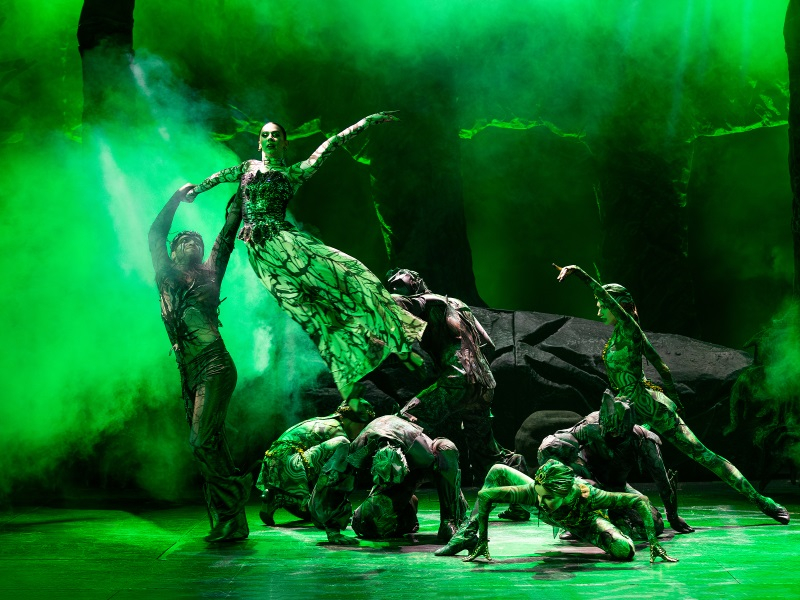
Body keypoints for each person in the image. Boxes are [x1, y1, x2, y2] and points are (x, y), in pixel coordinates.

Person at [185, 115, 426, 400]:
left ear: (285, 144)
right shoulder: (248, 167)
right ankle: (352, 380)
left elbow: (332, 143)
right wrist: (196, 190)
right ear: (259, 142)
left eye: (276, 135)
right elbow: (221, 176)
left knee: (350, 273)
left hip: (288, 243)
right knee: (312, 314)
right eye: (265, 135)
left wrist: (366, 122)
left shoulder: (295, 173)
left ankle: (399, 342)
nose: (270, 138)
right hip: (262, 256)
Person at [554, 264, 790, 524]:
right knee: (600, 452)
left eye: (602, 305)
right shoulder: (625, 333)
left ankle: (761, 501)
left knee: (702, 454)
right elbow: (662, 367)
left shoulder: (630, 328)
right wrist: (673, 397)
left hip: (645, 407)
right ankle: (593, 511)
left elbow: (659, 366)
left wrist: (578, 271)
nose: (599, 311)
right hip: (628, 407)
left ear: (616, 305)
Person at [148, 185, 251, 542]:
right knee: (211, 444)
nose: (193, 243)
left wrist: (242, 190)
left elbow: (228, 233)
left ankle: (237, 491)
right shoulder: (165, 272)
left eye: (198, 241)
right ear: (174, 250)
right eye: (186, 240)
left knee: (201, 441)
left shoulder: (210, 274)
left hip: (215, 364)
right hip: (189, 372)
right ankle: (232, 522)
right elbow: (156, 233)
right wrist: (176, 198)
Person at [386, 268, 529, 520]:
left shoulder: (426, 301)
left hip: (457, 378)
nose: (395, 289)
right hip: (483, 381)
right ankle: (519, 499)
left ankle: (393, 495)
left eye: (399, 283)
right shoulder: (459, 304)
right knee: (485, 449)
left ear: (415, 281)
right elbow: (489, 344)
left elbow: (399, 304)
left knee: (401, 423)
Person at [436, 459, 676, 563]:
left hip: (584, 523)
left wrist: (654, 543)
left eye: (548, 497)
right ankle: (466, 536)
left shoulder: (589, 495)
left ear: (565, 493)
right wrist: (482, 539)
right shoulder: (535, 493)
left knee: (624, 550)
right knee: (498, 470)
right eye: (539, 493)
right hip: (549, 516)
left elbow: (640, 500)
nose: (541, 500)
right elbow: (485, 495)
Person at [538, 392, 694, 536]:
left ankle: (601, 523)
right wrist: (568, 479)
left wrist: (672, 516)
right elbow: (551, 445)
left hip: (617, 488)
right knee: (584, 489)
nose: (613, 435)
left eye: (618, 432)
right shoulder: (590, 426)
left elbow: (661, 479)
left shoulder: (643, 440)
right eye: (609, 431)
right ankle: (577, 522)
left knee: (654, 525)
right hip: (587, 484)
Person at [308, 414, 467, 544]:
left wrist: (455, 504)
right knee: (367, 524)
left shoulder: (420, 451)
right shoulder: (360, 451)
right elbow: (332, 483)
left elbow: (446, 473)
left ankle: (449, 521)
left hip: (419, 466)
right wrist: (332, 530)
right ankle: (407, 508)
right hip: (392, 475)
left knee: (446, 449)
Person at [256, 398, 376, 526]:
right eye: (362, 424)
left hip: (274, 462)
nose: (363, 429)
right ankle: (279, 497)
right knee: (343, 446)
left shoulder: (325, 421)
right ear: (348, 419)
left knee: (311, 512)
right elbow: (350, 463)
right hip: (290, 462)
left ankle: (276, 496)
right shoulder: (337, 430)